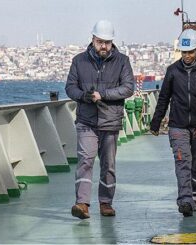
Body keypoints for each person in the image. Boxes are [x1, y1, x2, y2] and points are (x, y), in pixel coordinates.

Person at [65, 20, 134, 219]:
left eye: (107, 42)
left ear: (112, 42)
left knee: (108, 164)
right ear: (92, 39)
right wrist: (82, 96)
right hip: (86, 121)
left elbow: (128, 88)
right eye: (99, 41)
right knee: (85, 160)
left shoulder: (122, 61)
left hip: (110, 121)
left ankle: (106, 203)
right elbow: (70, 87)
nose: (103, 46)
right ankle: (82, 204)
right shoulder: (79, 61)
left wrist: (102, 94)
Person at [150, 29, 196, 217]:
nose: (187, 56)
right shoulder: (172, 71)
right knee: (182, 161)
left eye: (190, 52)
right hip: (178, 125)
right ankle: (185, 200)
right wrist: (156, 122)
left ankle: (195, 195)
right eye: (184, 52)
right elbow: (164, 98)